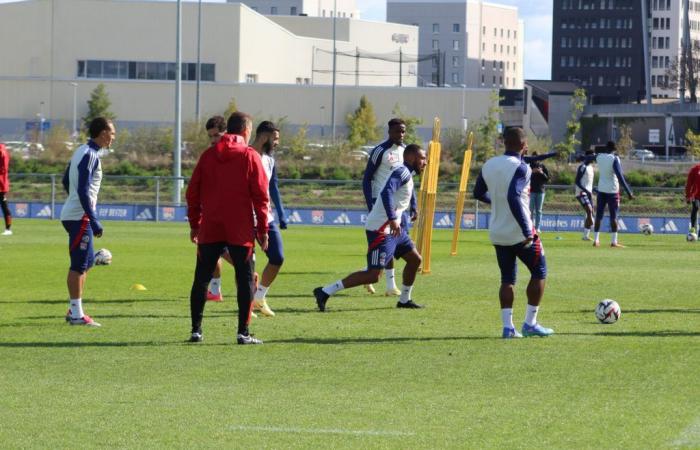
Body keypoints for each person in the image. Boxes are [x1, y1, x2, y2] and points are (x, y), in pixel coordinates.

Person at [186, 112, 270, 345]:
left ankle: (196, 331)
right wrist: (263, 230)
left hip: (210, 227)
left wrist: (195, 224)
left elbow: (192, 193)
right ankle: (243, 333)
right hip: (239, 229)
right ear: (245, 131)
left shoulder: (208, 156)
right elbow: (261, 197)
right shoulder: (250, 156)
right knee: (244, 280)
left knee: (201, 278)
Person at [314, 144, 427, 312]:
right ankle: (325, 291)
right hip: (380, 229)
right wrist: (392, 218)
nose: (425, 162)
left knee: (415, 259)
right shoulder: (402, 172)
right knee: (373, 275)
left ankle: (404, 300)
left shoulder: (406, 174)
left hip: (394, 229)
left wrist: (410, 210)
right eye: (422, 158)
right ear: (411, 157)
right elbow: (387, 192)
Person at [473, 127, 553, 339]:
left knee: (507, 278)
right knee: (540, 272)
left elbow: (477, 193)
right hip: (520, 232)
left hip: (498, 231)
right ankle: (530, 323)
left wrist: (496, 202)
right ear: (524, 145)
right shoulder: (522, 167)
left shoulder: (489, 164)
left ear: (504, 143)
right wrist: (527, 229)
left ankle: (508, 328)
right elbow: (513, 196)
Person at [60, 117, 115, 327]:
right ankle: (76, 315)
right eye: (112, 133)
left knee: (86, 262)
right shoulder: (91, 155)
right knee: (78, 265)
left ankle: (73, 309)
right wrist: (93, 219)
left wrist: (73, 202)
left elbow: (66, 180)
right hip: (80, 217)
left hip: (74, 214)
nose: (113, 138)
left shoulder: (80, 151)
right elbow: (82, 189)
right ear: (102, 133)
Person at [361, 118, 412, 296]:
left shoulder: (406, 151)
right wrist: (371, 205)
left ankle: (369, 270)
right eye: (398, 131)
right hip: (380, 203)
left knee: (394, 241)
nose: (401, 135)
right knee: (387, 239)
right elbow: (367, 178)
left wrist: (413, 204)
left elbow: (408, 181)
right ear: (389, 132)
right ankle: (390, 285)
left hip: (397, 205)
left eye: (403, 131)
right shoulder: (380, 151)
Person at [248, 121, 287, 317]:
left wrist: (281, 212)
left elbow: (273, 188)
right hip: (245, 218)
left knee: (277, 257)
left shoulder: (270, 160)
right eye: (276, 138)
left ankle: (259, 297)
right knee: (247, 263)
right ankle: (246, 304)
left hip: (266, 217)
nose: (277, 142)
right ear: (265, 137)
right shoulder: (245, 155)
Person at [591, 141, 634, 248]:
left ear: (606, 147)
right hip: (613, 191)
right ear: (614, 149)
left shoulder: (599, 157)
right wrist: (629, 192)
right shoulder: (614, 159)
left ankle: (596, 240)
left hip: (601, 190)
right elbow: (620, 176)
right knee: (613, 217)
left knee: (599, 216)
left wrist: (585, 158)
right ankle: (614, 242)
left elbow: (589, 158)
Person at [575, 149, 596, 241]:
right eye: (592, 155)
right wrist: (585, 190)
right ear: (588, 156)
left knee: (591, 213)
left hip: (588, 193)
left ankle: (585, 236)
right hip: (581, 193)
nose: (594, 157)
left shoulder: (591, 168)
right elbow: (577, 181)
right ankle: (591, 222)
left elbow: (589, 183)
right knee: (589, 210)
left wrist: (594, 190)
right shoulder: (582, 167)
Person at [528, 153, 550, 233]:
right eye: (533, 158)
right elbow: (524, 177)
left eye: (536, 158)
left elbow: (547, 178)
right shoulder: (528, 166)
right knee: (530, 210)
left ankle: (538, 228)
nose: (535, 160)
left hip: (541, 191)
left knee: (539, 210)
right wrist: (532, 172)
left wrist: (542, 173)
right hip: (531, 191)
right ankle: (530, 227)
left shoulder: (542, 166)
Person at [685, 162, 700, 234]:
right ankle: (693, 228)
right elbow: (689, 183)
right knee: (696, 207)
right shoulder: (695, 169)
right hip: (695, 195)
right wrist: (688, 196)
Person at [0, 142, 11, 235]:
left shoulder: (2, 151)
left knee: (4, 206)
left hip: (1, 184)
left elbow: (4, 169)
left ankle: (8, 229)